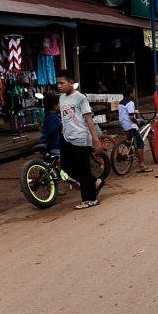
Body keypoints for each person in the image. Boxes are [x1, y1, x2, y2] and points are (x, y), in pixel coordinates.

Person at [56, 72, 105, 210]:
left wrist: (95, 139)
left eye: (62, 83)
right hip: (67, 137)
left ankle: (90, 199)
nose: (59, 86)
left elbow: (88, 118)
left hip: (81, 137)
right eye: (57, 84)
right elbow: (65, 117)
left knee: (83, 169)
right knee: (66, 167)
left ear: (71, 82)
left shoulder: (80, 98)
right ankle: (95, 181)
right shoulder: (61, 98)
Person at [118, 85, 152, 173]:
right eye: (134, 92)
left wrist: (135, 112)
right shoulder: (130, 103)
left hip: (124, 126)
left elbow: (126, 113)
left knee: (132, 142)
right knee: (140, 143)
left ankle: (134, 154)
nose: (135, 94)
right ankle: (142, 165)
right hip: (131, 126)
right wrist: (137, 124)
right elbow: (131, 117)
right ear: (130, 94)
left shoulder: (121, 103)